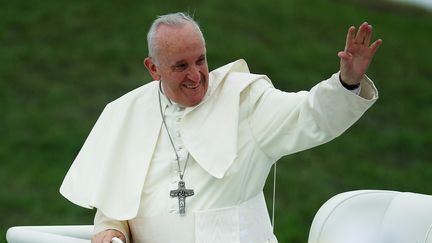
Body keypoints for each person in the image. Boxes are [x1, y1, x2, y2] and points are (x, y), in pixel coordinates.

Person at [60, 12, 382, 243]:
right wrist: (111, 230)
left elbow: (309, 115)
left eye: (200, 60)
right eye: (181, 66)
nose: (196, 75)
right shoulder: (126, 114)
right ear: (153, 68)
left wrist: (347, 81)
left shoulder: (245, 100)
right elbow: (115, 203)